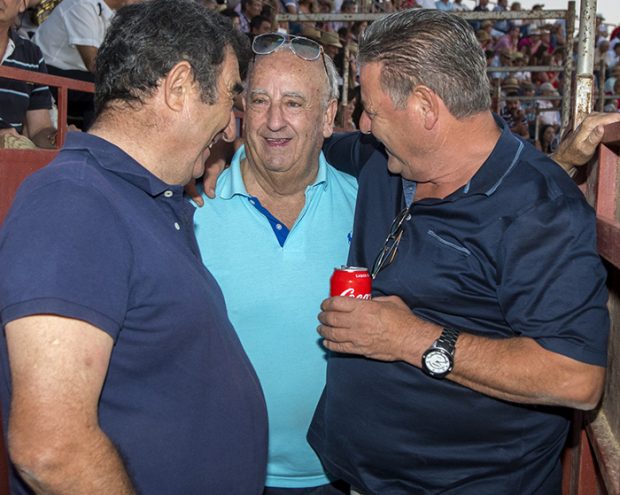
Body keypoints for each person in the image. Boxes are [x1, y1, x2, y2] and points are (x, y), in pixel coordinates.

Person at [307, 10, 610, 494]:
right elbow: (309, 149)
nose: (362, 124)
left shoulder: (538, 209)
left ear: (426, 108)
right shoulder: (381, 159)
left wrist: (412, 338)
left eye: (372, 110)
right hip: (362, 478)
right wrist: (236, 164)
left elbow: (575, 377)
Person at [0, 1, 268, 494]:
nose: (231, 127)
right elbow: (49, 449)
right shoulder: (74, 203)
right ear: (180, 86)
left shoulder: (142, 199)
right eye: (231, 97)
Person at [193, 32, 355, 494]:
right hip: (218, 472)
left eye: (295, 103)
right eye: (260, 101)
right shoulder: (196, 205)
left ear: (327, 117)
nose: (274, 122)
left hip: (337, 475)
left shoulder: (367, 208)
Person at [32, 0, 136, 129]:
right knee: (109, 89)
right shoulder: (81, 4)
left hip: (75, 75)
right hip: (46, 73)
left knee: (124, 90)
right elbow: (93, 63)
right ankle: (94, 144)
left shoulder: (113, 14)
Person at [1, 0, 56, 148]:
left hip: (10, 160)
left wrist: (56, 138)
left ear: (22, 4)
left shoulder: (31, 54)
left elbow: (39, 128)